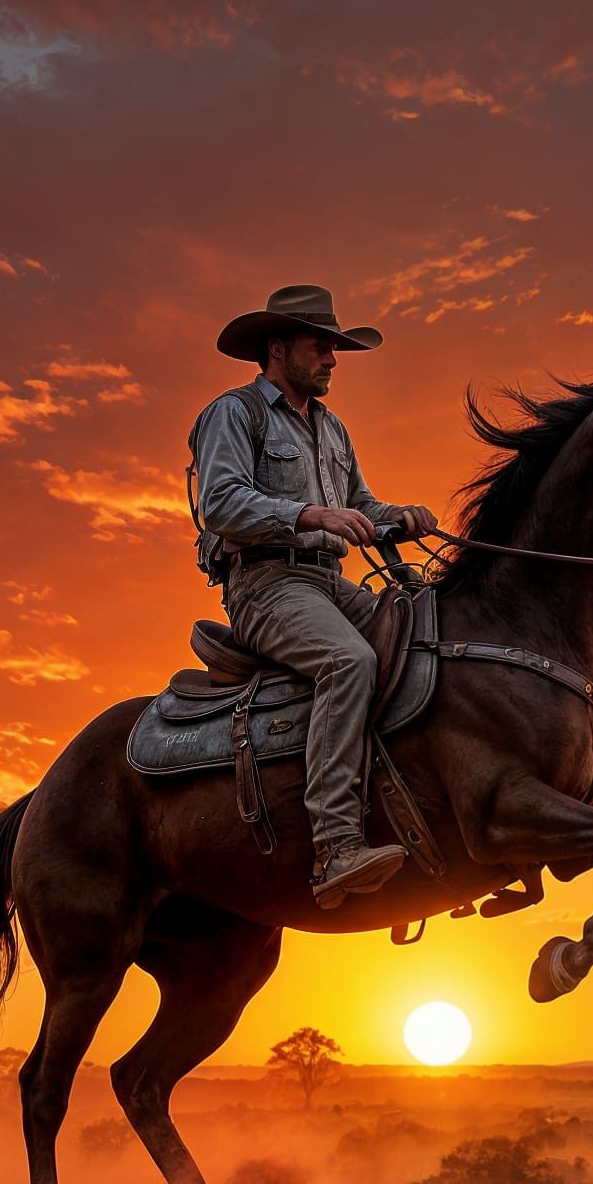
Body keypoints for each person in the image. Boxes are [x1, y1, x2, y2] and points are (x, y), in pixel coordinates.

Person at [192, 284, 438, 908]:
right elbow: (219, 504)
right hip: (266, 586)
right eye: (320, 346)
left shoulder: (333, 430)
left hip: (328, 583)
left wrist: (399, 517)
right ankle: (335, 845)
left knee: (431, 631)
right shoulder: (235, 413)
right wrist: (308, 516)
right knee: (347, 660)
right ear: (277, 349)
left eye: (334, 349)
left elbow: (358, 508)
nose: (332, 359)